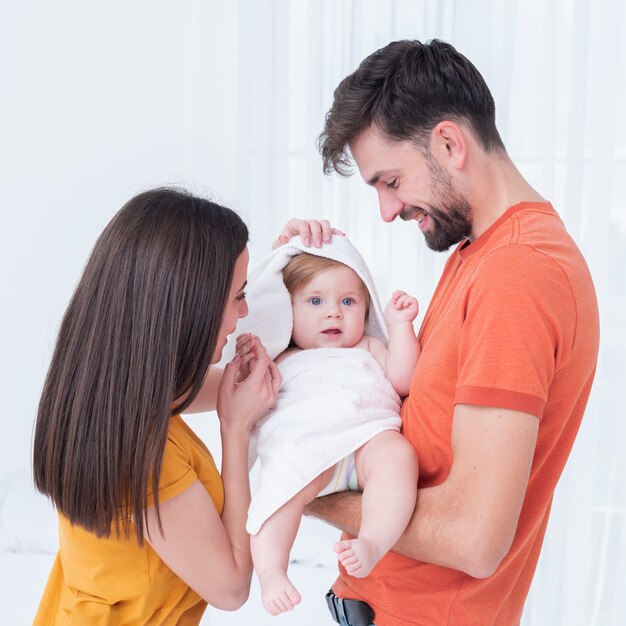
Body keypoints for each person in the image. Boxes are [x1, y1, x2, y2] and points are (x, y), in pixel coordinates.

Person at [274, 39, 600, 626]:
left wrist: (298, 484)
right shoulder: (480, 255)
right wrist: (289, 278)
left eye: (391, 180)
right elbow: (386, 393)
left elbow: (474, 539)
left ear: (449, 143)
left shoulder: (517, 275)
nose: (387, 209)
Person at [32, 187, 281, 625]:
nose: (244, 312)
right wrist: (234, 432)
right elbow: (232, 587)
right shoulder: (148, 454)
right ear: (189, 309)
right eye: (237, 296)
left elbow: (242, 383)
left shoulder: (107, 396)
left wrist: (294, 268)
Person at [231, 239, 419, 616]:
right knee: (278, 492)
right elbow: (249, 396)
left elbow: (404, 379)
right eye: (315, 302)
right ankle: (272, 572)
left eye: (348, 302)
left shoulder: (367, 346)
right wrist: (251, 358)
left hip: (366, 443)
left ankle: (372, 543)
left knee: (399, 457)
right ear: (288, 311)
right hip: (308, 454)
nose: (333, 313)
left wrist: (400, 327)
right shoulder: (284, 358)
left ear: (365, 309)